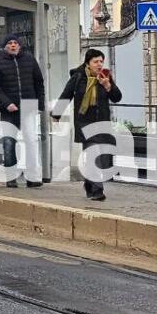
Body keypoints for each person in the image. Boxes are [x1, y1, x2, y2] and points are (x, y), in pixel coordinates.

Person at [58, 48, 123, 201]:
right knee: (94, 155)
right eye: (96, 61)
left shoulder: (105, 77)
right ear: (88, 63)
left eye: (101, 61)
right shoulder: (78, 77)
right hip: (85, 123)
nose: (99, 64)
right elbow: (66, 95)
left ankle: (89, 185)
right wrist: (56, 114)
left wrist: (108, 86)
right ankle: (98, 190)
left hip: (102, 123)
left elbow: (117, 97)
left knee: (100, 156)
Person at [0, 34, 46, 188]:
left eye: (15, 43)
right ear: (5, 46)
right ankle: (11, 177)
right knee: (9, 142)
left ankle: (32, 177)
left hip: (28, 106)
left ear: (20, 46)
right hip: (9, 109)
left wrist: (40, 104)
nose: (13, 45)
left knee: (31, 141)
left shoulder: (29, 60)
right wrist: (7, 103)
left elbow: (39, 82)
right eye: (10, 43)